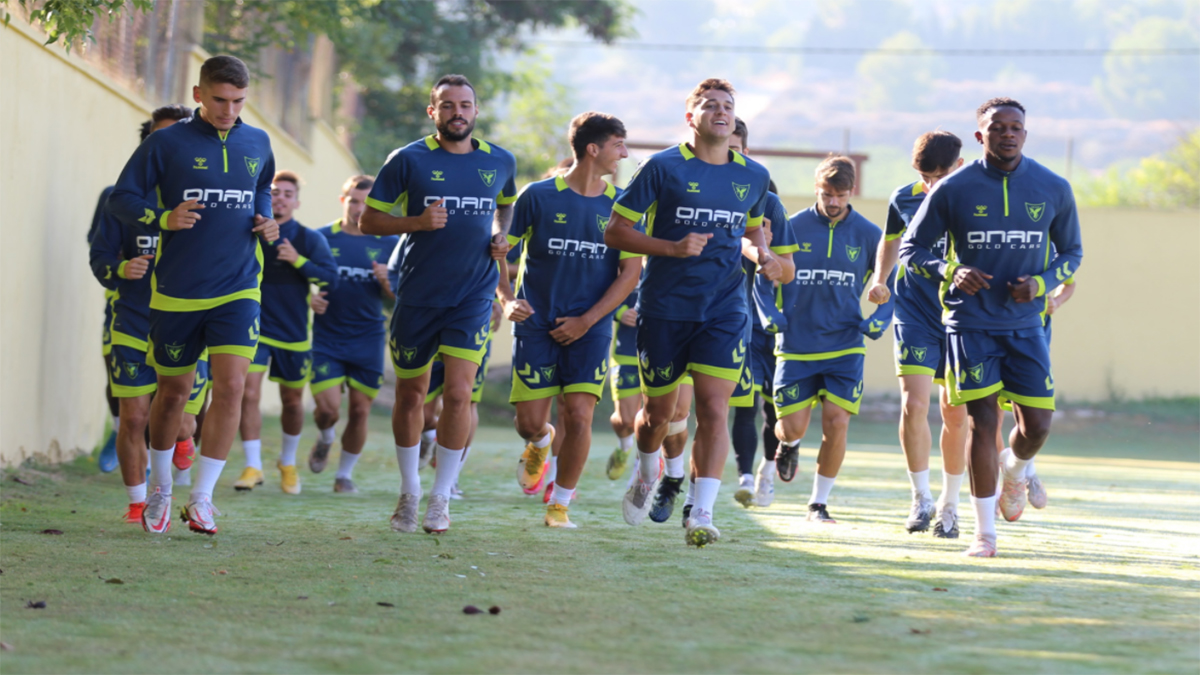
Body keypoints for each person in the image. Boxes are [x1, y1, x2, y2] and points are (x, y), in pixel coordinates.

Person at [899, 97, 1083, 557]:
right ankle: (985, 535)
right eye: (997, 127)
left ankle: (1015, 469)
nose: (1007, 133)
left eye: (1015, 127)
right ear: (981, 136)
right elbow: (910, 250)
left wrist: (1042, 283)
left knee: (1037, 424)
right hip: (970, 324)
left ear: (1025, 133)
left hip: (1026, 325)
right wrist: (950, 270)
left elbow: (1073, 254)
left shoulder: (1052, 187)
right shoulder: (953, 189)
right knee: (983, 422)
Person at [603, 78, 782, 547]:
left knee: (713, 409)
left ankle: (700, 513)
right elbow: (616, 232)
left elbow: (753, 230)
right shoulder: (662, 167)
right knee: (656, 415)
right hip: (664, 310)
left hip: (725, 309)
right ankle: (648, 473)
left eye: (728, 105)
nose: (721, 112)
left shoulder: (753, 176)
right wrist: (670, 247)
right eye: (710, 105)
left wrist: (763, 255)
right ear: (691, 118)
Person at [108, 55, 279, 535]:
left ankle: (202, 499)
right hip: (178, 292)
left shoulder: (258, 141)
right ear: (199, 94)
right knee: (174, 393)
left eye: (239, 101)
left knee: (231, 387)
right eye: (220, 99)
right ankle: (161, 488)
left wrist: (264, 217)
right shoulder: (166, 143)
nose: (229, 110)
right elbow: (121, 200)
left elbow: (260, 187)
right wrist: (163, 219)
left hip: (240, 285)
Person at [360, 74, 516, 535]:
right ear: (433, 112)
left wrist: (498, 233)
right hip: (418, 295)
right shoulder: (407, 159)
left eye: (465, 105)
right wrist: (417, 221)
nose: (457, 113)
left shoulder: (500, 160)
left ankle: (441, 497)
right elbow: (369, 221)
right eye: (447, 105)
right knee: (410, 395)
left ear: (476, 110)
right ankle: (409, 492)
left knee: (459, 393)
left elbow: (505, 205)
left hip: (472, 295)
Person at [498, 111, 641, 529]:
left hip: (592, 329)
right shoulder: (537, 196)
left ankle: (559, 505)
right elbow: (497, 254)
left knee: (578, 415)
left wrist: (587, 320)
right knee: (529, 422)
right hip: (536, 325)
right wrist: (507, 301)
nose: (625, 154)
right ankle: (541, 442)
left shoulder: (622, 206)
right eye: (618, 145)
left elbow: (629, 274)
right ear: (593, 149)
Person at [89, 104, 204, 521]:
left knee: (181, 425)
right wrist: (121, 268)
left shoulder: (204, 191)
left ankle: (185, 443)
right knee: (132, 417)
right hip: (133, 318)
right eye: (160, 137)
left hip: (189, 318)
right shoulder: (121, 200)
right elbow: (99, 255)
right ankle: (139, 503)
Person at [774, 156, 895, 524]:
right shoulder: (791, 227)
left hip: (845, 343)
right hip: (796, 345)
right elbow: (765, 279)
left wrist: (881, 316)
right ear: (817, 189)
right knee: (792, 426)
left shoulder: (870, 235)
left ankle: (818, 504)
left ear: (851, 192)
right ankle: (789, 444)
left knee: (836, 421)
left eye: (840, 195)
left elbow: (893, 285)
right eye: (827, 194)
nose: (833, 202)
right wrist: (771, 316)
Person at [866, 131, 970, 537]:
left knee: (954, 411)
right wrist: (879, 279)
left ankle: (950, 504)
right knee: (914, 404)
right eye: (926, 177)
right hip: (914, 312)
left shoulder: (975, 197)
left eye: (940, 176)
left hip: (963, 315)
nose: (931, 186)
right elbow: (890, 242)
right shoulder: (903, 197)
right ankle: (921, 497)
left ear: (958, 167)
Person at [234, 170, 337, 495]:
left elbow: (330, 278)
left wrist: (298, 260)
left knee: (292, 402)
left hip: (293, 333)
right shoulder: (248, 230)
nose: (280, 197)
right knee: (247, 393)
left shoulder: (307, 238)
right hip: (253, 327)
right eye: (275, 192)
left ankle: (287, 462)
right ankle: (253, 465)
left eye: (287, 194)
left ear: (296, 201)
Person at [306, 175, 399, 493]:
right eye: (355, 201)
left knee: (360, 411)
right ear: (343, 200)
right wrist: (309, 296)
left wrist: (387, 281)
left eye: (367, 203)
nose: (360, 209)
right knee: (329, 410)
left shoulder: (390, 243)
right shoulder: (319, 238)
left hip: (369, 338)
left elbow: (401, 298)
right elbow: (296, 279)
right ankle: (326, 437)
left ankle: (343, 475)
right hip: (327, 339)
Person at [725, 119, 797, 509]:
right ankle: (746, 477)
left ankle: (769, 469)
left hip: (770, 322)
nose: (730, 154)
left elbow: (788, 270)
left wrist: (767, 254)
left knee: (774, 407)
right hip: (732, 320)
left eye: (736, 147)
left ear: (746, 150)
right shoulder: (704, 198)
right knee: (743, 403)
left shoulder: (766, 195)